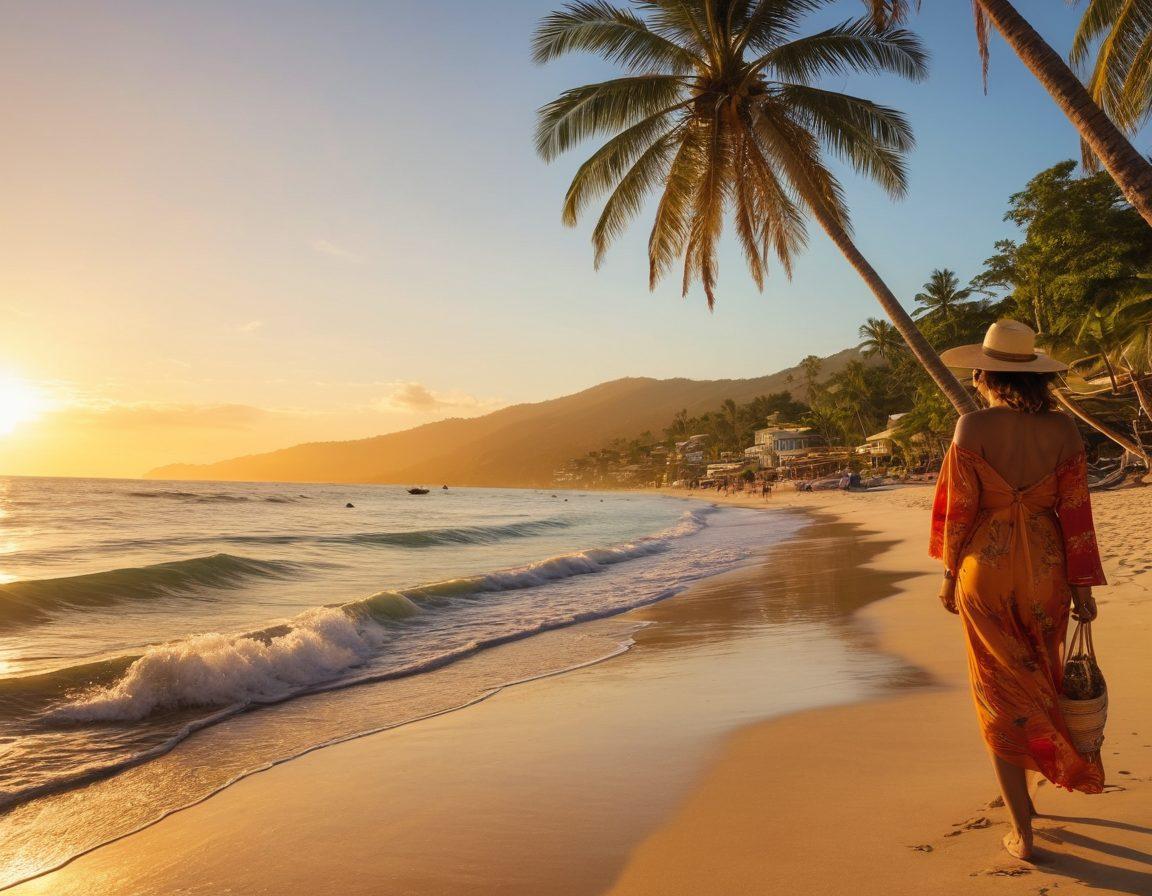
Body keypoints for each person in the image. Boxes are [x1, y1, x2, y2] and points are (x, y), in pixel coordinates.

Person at [930, 320, 1106, 862]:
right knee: (1037, 682)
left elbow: (959, 514)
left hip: (986, 567)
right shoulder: (1064, 432)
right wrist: (1080, 588)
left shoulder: (972, 427)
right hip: (1047, 571)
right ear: (1035, 376)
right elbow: (1077, 516)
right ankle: (1030, 797)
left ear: (984, 374)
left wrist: (947, 574)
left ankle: (1021, 828)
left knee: (998, 694)